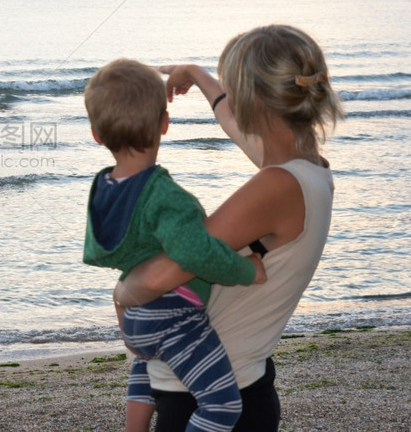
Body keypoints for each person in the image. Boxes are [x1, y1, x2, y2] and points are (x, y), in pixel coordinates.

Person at [113, 25, 344, 431]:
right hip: (241, 385)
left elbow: (167, 273)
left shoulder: (276, 186)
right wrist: (200, 76)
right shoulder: (309, 169)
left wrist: (122, 294)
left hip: (208, 402)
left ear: (253, 99)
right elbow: (233, 123)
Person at [82, 58, 267, 432]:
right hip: (174, 318)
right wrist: (248, 271)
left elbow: (100, 247)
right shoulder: (164, 195)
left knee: (147, 366)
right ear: (165, 124)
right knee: (222, 406)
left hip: (136, 321)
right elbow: (195, 253)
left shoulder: (103, 188)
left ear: (96, 135)